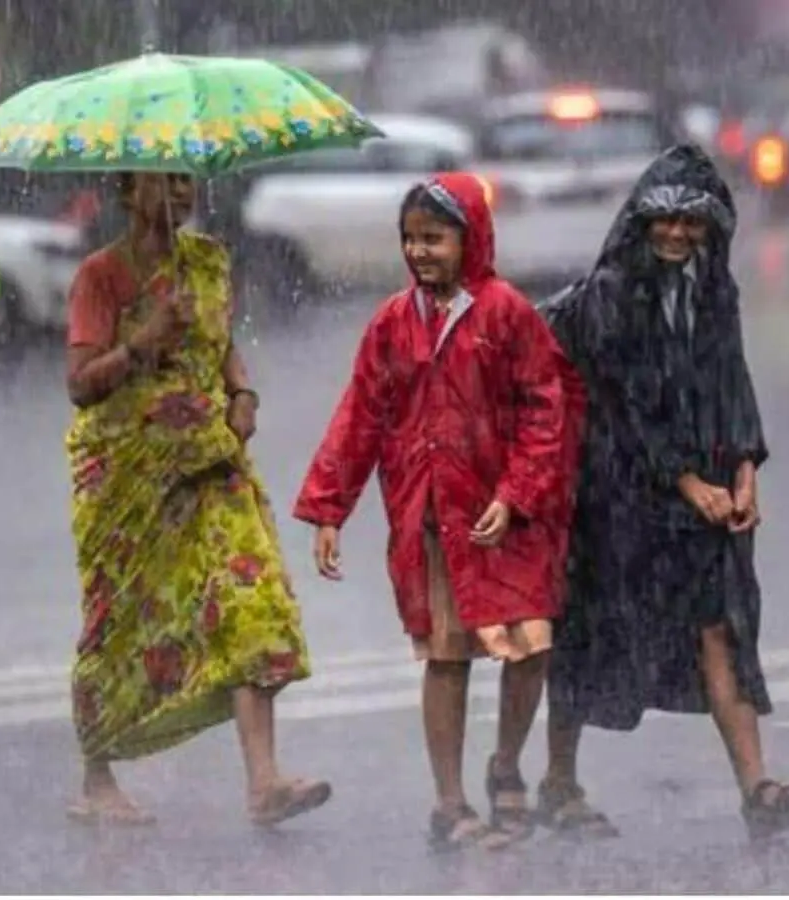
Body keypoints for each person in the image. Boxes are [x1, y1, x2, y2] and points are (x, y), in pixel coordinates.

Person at [538, 144, 789, 841]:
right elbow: (623, 402)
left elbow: (731, 381)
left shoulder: (714, 289)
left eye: (691, 222)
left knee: (720, 627)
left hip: (701, 489)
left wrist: (745, 469)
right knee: (590, 630)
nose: (676, 233)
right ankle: (557, 781)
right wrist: (686, 480)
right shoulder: (611, 295)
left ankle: (758, 790)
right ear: (641, 222)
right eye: (663, 220)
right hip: (617, 492)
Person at [294, 173, 581, 851]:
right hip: (435, 522)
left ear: (470, 238)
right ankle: (450, 804)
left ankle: (506, 763)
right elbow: (360, 417)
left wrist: (515, 494)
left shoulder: (507, 314)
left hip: (509, 522)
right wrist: (330, 509)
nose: (420, 252)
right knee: (447, 657)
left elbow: (547, 412)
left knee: (531, 647)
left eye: (435, 238)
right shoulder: (393, 323)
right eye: (411, 239)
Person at [62, 171, 329, 827]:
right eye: (165, 182)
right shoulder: (101, 276)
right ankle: (97, 779)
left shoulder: (207, 262)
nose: (180, 194)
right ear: (129, 193)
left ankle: (264, 782)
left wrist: (243, 394)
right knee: (120, 621)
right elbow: (81, 384)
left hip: (211, 460)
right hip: (129, 476)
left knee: (250, 598)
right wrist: (140, 342)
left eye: (187, 181)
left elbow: (223, 347)